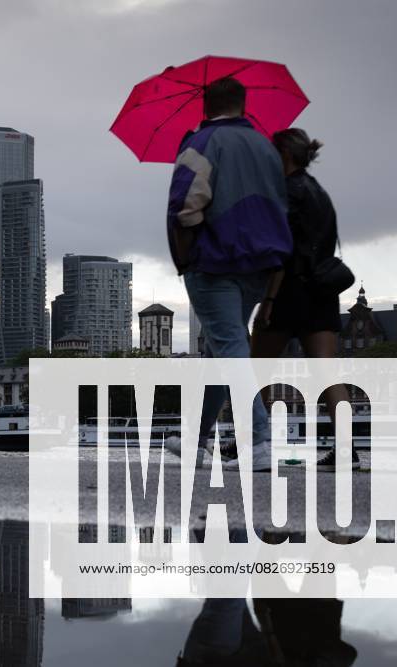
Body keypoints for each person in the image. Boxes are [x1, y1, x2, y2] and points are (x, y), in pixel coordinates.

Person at [163, 76, 293, 472]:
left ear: (206, 105)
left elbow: (184, 206)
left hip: (215, 262)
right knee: (220, 352)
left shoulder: (202, 143)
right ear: (244, 104)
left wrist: (186, 256)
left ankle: (259, 440)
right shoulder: (266, 148)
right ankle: (197, 440)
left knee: (231, 349)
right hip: (261, 262)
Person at [252, 129, 358, 471]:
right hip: (322, 291)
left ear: (284, 154)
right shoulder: (319, 192)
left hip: (289, 290)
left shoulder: (286, 191)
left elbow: (282, 251)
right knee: (327, 371)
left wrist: (268, 300)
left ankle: (253, 442)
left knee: (256, 369)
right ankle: (347, 451)